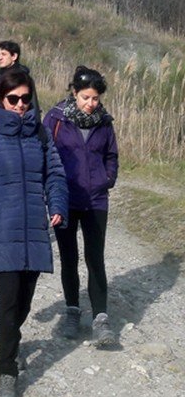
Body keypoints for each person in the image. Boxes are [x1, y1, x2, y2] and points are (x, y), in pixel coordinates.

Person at [0, 67, 68, 397]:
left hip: (34, 227)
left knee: (24, 301)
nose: (20, 104)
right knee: (7, 302)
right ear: (0, 100)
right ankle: (7, 369)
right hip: (1, 228)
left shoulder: (41, 134)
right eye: (13, 99)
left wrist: (58, 203)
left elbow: (55, 174)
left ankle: (12, 340)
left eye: (25, 98)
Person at [43, 66, 119, 347]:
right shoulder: (55, 119)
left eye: (95, 98)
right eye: (86, 97)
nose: (91, 103)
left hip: (96, 200)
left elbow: (111, 155)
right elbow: (44, 152)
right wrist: (50, 191)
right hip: (65, 199)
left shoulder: (104, 122)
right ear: (74, 93)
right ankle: (72, 311)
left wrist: (107, 179)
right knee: (69, 258)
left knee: (95, 258)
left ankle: (101, 319)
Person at [0, 41, 40, 129]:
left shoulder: (25, 80)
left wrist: (37, 131)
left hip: (22, 130)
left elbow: (34, 109)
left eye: (3, 54)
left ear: (14, 56)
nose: (0, 58)